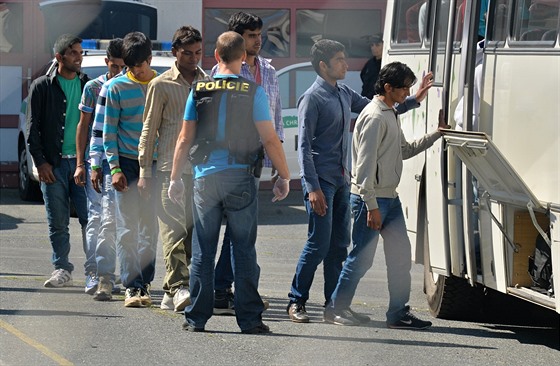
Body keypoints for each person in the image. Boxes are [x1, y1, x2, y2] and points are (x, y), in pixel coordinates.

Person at [287, 39, 434, 323]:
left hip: (343, 180)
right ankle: (297, 301)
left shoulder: (343, 93)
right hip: (322, 183)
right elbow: (303, 147)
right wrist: (312, 188)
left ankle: (335, 305)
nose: (346, 64)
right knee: (318, 244)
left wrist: (414, 99)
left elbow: (379, 107)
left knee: (339, 245)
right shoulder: (312, 98)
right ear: (323, 65)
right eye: (340, 60)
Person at [168, 31, 290, 334]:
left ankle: (196, 318)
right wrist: (284, 175)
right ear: (242, 57)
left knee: (203, 251)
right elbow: (270, 138)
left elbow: (184, 138)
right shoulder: (253, 91)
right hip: (241, 176)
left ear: (216, 57)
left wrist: (174, 178)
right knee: (244, 250)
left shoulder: (198, 90)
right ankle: (249, 320)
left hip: (204, 177)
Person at [324, 61, 449, 330]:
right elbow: (363, 168)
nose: (407, 92)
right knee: (361, 258)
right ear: (388, 87)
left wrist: (437, 134)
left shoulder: (389, 112)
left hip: (388, 199)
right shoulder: (374, 116)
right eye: (404, 88)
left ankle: (398, 314)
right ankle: (336, 308)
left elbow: (404, 149)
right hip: (371, 200)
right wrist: (371, 206)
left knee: (400, 256)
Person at [210, 11, 283, 316]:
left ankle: (224, 288)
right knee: (225, 230)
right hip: (225, 163)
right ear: (237, 39)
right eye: (251, 35)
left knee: (242, 229)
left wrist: (278, 162)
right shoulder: (220, 74)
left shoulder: (268, 71)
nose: (258, 40)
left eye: (259, 34)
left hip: (255, 162)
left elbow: (276, 117)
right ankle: (222, 289)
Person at [138, 26, 209, 313]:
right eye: (187, 53)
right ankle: (179, 287)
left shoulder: (208, 82)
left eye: (198, 53)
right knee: (172, 231)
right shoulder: (161, 84)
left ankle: (171, 291)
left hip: (201, 170)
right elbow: (148, 129)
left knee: (193, 233)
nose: (193, 59)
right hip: (169, 169)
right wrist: (144, 172)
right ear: (174, 53)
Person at [27, 34, 90, 288]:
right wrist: (41, 162)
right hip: (53, 165)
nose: (78, 56)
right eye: (73, 52)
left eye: (80, 52)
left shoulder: (89, 85)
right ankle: (62, 268)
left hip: (82, 164)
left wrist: (89, 163)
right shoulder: (42, 86)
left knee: (90, 220)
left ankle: (95, 269)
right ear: (59, 57)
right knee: (58, 222)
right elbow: (33, 128)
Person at [103, 31, 159, 308]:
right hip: (126, 162)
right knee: (127, 228)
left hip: (155, 164)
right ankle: (131, 286)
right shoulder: (116, 88)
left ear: (149, 58)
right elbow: (108, 132)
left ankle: (145, 281)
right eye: (130, 65)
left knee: (150, 227)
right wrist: (114, 168)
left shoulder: (161, 83)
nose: (136, 70)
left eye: (140, 64)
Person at [73, 38, 126, 297]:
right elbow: (83, 127)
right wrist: (81, 163)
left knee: (118, 220)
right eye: (114, 66)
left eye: (122, 67)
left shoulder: (128, 86)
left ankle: (116, 273)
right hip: (98, 163)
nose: (118, 72)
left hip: (121, 163)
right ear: (107, 63)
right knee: (96, 218)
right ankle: (94, 272)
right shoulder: (93, 88)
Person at [360, 34, 383, 99]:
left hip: (379, 100)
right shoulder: (370, 63)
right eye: (372, 45)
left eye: (377, 45)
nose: (373, 48)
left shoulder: (387, 63)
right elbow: (362, 75)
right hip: (366, 98)